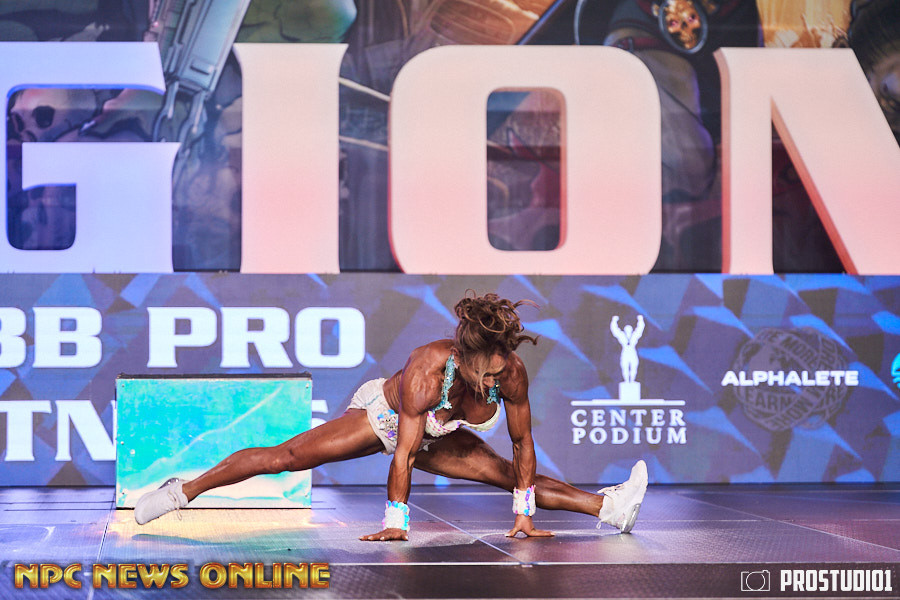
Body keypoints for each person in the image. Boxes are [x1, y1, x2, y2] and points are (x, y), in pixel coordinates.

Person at [134, 292, 649, 541]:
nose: (493, 381)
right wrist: (396, 523)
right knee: (285, 457)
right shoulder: (427, 368)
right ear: (465, 357)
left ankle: (611, 508)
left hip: (442, 432)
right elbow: (404, 453)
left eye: (499, 371)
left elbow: (523, 446)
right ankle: (184, 490)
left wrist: (524, 514)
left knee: (507, 473)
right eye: (486, 373)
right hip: (387, 418)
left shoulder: (510, 372)